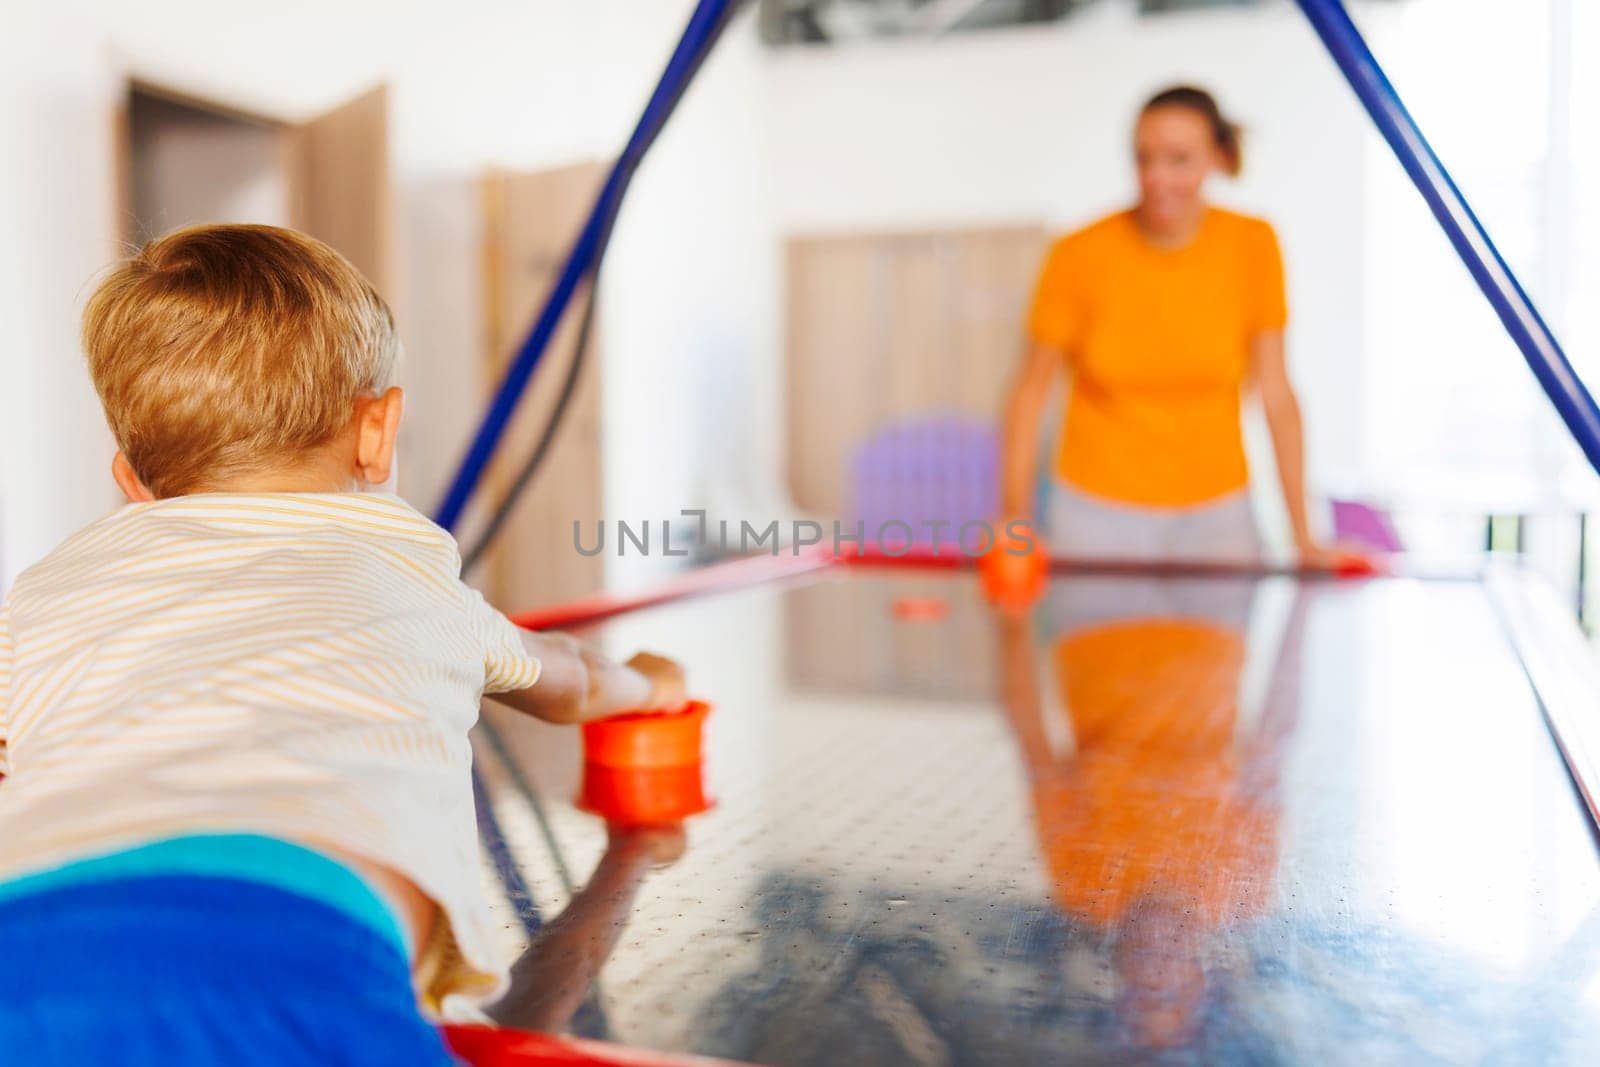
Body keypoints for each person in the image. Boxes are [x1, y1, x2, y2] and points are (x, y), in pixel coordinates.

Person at [0, 224, 685, 1064]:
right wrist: (651, 686)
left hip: (29, 930)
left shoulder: (50, 584)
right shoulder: (398, 561)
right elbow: (572, 682)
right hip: (293, 944)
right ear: (377, 430)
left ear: (132, 483)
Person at [1001, 85, 1360, 568]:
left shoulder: (1253, 243)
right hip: (1094, 516)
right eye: (1144, 158)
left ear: (1218, 157)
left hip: (1219, 517)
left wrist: (1305, 538)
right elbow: (1029, 393)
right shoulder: (1078, 252)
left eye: (1179, 160)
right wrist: (1014, 522)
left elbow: (1277, 394)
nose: (1156, 178)